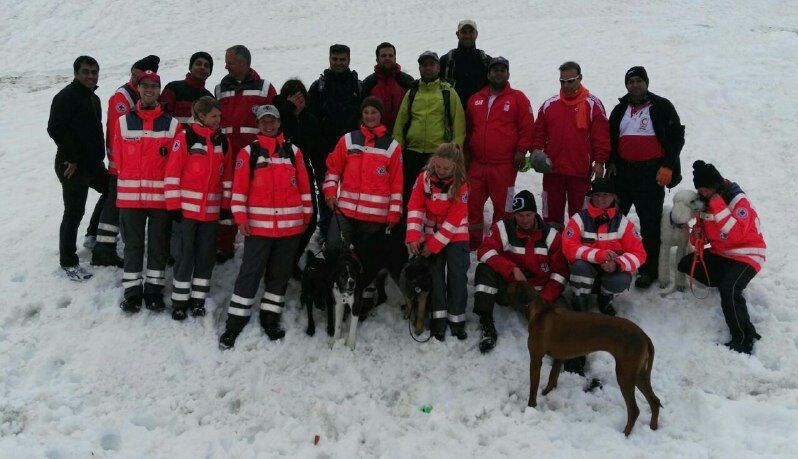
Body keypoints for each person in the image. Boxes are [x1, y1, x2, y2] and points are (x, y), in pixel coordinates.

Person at [220, 105, 313, 348]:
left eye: (272, 121)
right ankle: (235, 322)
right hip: (258, 228)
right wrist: (241, 218)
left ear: (279, 123)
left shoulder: (293, 152)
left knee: (279, 275)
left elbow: (305, 187)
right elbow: (239, 191)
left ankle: (270, 317)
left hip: (290, 228)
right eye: (264, 122)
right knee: (249, 273)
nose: (268, 125)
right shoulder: (248, 153)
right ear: (258, 125)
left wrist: (306, 215)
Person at [323, 97, 403, 316]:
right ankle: (334, 287)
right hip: (345, 211)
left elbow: (397, 183)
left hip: (375, 216)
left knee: (368, 256)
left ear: (381, 115)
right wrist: (330, 192)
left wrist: (394, 213)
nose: (370, 116)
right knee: (334, 247)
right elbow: (333, 169)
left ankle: (365, 293)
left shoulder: (392, 147)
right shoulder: (348, 140)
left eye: (374, 112)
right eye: (366, 112)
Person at [608, 66, 686, 289]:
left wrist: (668, 166)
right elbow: (610, 136)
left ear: (646, 82)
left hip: (651, 173)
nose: (634, 85)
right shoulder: (620, 109)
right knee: (614, 218)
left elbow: (676, 137)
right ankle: (612, 260)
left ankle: (648, 269)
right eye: (630, 81)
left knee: (649, 223)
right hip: (622, 173)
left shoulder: (661, 106)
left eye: (638, 81)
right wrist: (611, 161)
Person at [113, 71, 185, 313]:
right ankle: (132, 293)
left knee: (158, 247)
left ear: (159, 91)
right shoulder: (123, 122)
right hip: (130, 199)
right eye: (145, 85)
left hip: (160, 199)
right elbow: (118, 158)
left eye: (154, 86)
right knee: (132, 246)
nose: (149, 90)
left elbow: (175, 162)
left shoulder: (172, 125)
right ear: (138, 89)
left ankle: (154, 291)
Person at [677, 161, 766, 354]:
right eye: (700, 190)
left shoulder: (737, 200)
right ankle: (726, 282)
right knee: (685, 264)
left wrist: (718, 205)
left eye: (706, 189)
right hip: (722, 253)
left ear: (716, 185)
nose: (703, 193)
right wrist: (697, 235)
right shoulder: (703, 202)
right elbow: (702, 234)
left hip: (748, 254)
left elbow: (735, 235)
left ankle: (743, 339)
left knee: (730, 289)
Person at [561, 178, 646, 374]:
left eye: (605, 195)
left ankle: (604, 298)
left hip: (609, 272)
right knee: (579, 267)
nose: (601, 199)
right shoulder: (578, 219)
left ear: (613, 197)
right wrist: (598, 255)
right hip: (587, 270)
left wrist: (617, 264)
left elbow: (640, 254)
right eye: (597, 195)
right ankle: (580, 302)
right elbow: (568, 247)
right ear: (591, 197)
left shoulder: (624, 223)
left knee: (622, 279)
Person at [473, 190, 568, 353]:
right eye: (520, 215)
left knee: (564, 318)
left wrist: (544, 299)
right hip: (510, 289)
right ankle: (486, 323)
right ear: (514, 215)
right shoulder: (503, 228)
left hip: (539, 293)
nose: (525, 220)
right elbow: (484, 251)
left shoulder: (551, 235)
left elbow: (560, 273)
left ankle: (571, 356)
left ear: (535, 213)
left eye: (529, 215)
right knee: (484, 269)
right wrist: (512, 269)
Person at [164, 96, 232, 320]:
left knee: (205, 257)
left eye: (219, 115)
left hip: (210, 213)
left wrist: (225, 206)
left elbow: (227, 177)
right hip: (186, 212)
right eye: (214, 116)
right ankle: (179, 301)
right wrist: (173, 206)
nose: (218, 120)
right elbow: (172, 173)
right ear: (201, 116)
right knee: (184, 256)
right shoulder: (185, 138)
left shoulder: (223, 142)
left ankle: (198, 300)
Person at [92, 54, 160, 268]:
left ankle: (98, 241)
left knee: (113, 201)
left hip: (132, 165)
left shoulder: (139, 94)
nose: (136, 78)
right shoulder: (123, 96)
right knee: (114, 204)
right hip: (121, 165)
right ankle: (103, 249)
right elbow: (116, 130)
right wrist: (117, 162)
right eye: (135, 74)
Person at [47, 55, 109, 281]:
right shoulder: (66, 97)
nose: (91, 76)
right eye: (86, 72)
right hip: (71, 165)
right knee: (74, 211)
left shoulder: (93, 98)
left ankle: (92, 234)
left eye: (94, 72)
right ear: (76, 73)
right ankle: (68, 262)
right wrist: (72, 157)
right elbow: (55, 128)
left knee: (112, 190)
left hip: (93, 164)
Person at [214, 45, 277, 263]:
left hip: (255, 156)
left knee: (258, 200)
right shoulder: (220, 89)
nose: (226, 66)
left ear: (243, 63)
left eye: (229, 62)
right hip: (227, 156)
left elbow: (274, 120)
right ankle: (224, 245)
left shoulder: (265, 88)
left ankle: (259, 243)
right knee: (227, 199)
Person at [465, 56, 534, 250]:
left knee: (504, 207)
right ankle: (473, 242)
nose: (498, 73)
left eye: (502, 70)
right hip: (478, 164)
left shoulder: (518, 98)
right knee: (471, 204)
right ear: (488, 74)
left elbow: (527, 127)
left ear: (508, 74)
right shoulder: (476, 99)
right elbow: (468, 129)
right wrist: (466, 153)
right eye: (495, 70)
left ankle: (498, 242)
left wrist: (521, 150)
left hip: (505, 165)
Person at [532, 61, 610, 228]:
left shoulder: (593, 105)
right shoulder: (549, 105)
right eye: (562, 81)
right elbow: (539, 132)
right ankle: (553, 242)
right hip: (552, 172)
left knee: (580, 219)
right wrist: (537, 151)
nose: (566, 85)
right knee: (551, 218)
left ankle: (578, 243)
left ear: (580, 78)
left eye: (570, 81)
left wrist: (600, 162)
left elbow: (601, 137)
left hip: (579, 173)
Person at [405, 143, 470, 340]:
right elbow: (415, 207)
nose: (441, 171)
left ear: (455, 166)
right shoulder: (423, 179)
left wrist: (433, 246)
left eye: (446, 168)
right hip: (431, 233)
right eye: (438, 166)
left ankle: (457, 320)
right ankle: (438, 320)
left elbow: (454, 220)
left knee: (457, 275)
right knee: (435, 276)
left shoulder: (461, 184)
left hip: (456, 234)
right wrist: (413, 237)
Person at [308, 44, 364, 239]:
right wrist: (316, 153)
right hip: (325, 150)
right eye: (335, 59)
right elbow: (312, 121)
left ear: (349, 60)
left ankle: (350, 231)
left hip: (353, 150)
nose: (339, 63)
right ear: (329, 59)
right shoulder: (318, 87)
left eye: (342, 59)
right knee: (326, 191)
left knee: (352, 190)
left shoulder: (358, 86)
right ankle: (326, 231)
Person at [273, 79, 324, 275]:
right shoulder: (277, 119)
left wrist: (321, 177)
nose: (297, 102)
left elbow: (316, 151)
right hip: (278, 176)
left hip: (304, 174)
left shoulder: (310, 120)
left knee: (309, 220)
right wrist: (288, 110)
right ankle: (277, 263)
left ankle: (292, 260)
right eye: (293, 98)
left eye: (301, 98)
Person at [362, 42, 414, 132]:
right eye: (383, 55)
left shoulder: (406, 81)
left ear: (395, 58)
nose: (387, 58)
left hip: (402, 134)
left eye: (390, 55)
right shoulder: (369, 83)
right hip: (376, 134)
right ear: (377, 59)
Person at [439, 19, 492, 109]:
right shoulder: (446, 60)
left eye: (471, 32)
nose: (467, 36)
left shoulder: (486, 61)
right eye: (464, 32)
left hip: (479, 112)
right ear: (457, 34)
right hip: (452, 112)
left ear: (476, 34)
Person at [159, 52, 214, 124]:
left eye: (206, 66)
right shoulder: (173, 88)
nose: (202, 67)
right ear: (190, 67)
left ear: (210, 72)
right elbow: (161, 117)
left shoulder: (210, 99)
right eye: (198, 64)